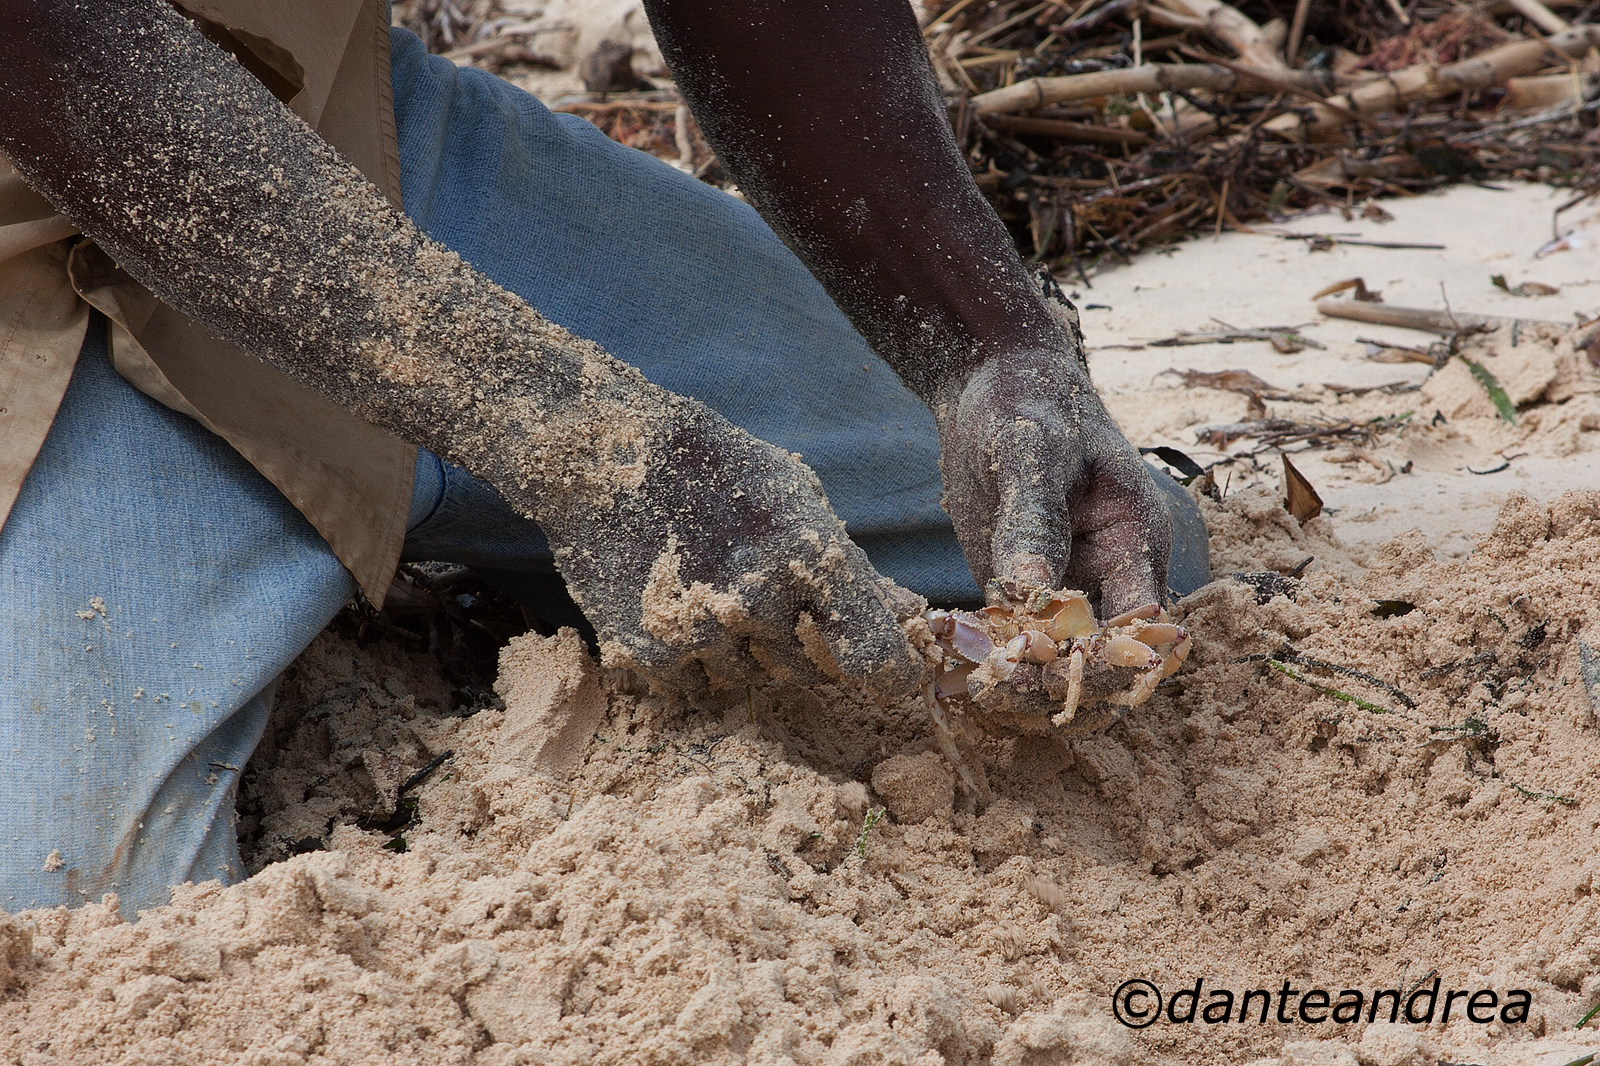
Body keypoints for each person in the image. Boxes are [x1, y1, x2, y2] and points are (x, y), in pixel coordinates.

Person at [0, 0, 1203, 914]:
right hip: (40, 204)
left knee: (1122, 541)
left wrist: (984, 346)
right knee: (80, 924)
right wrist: (580, 443)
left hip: (316, 125)